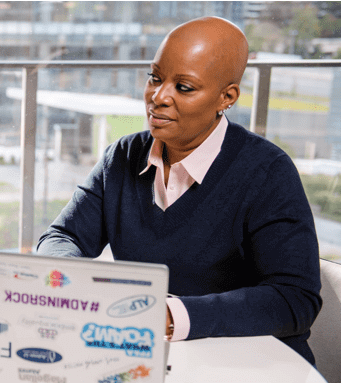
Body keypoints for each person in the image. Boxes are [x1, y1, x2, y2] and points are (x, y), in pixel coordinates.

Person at [37, 16, 322, 364]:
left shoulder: (267, 172)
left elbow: (294, 300)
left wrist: (169, 316)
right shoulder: (123, 157)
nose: (158, 97)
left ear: (226, 97)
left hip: (249, 364)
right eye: (155, 78)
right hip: (149, 358)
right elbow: (61, 237)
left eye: (183, 87)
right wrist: (71, 282)